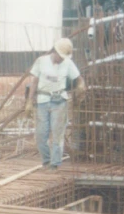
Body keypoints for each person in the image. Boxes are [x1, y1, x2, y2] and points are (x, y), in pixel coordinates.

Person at [26, 38, 86, 171]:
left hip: (59, 102)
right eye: (61, 56)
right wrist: (30, 101)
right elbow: (34, 82)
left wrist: (81, 85)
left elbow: (79, 79)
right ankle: (46, 160)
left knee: (58, 135)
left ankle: (55, 164)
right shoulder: (41, 61)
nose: (62, 59)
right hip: (42, 101)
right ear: (55, 52)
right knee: (41, 135)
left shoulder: (68, 63)